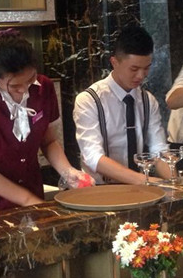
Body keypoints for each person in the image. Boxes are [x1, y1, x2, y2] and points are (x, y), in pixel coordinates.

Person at [0, 34, 88, 214]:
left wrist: (68, 172)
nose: (24, 89)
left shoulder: (45, 87)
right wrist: (28, 200)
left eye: (30, 79)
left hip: (32, 194)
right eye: (14, 85)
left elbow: (48, 142)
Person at [73, 25, 171, 184]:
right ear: (114, 62)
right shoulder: (90, 100)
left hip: (141, 188)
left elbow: (159, 150)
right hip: (101, 190)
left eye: (146, 68)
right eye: (134, 69)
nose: (141, 76)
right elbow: (93, 157)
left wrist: (175, 183)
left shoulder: (148, 100)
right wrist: (146, 181)